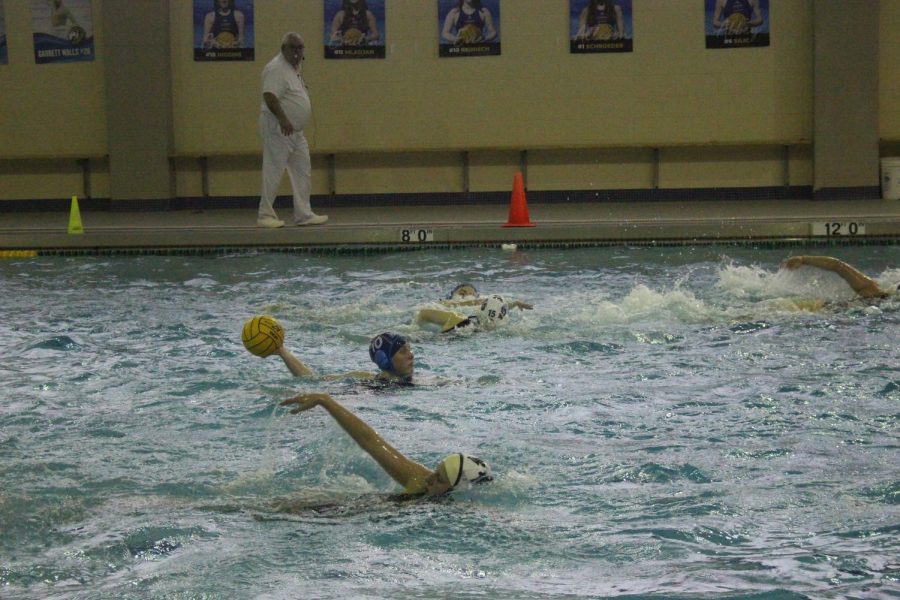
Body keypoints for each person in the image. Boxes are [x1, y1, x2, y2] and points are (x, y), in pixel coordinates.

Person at [280, 392, 493, 497]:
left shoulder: (462, 510)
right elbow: (371, 442)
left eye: (439, 479)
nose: (429, 477)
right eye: (435, 471)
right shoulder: (419, 480)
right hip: (352, 512)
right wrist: (325, 401)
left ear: (456, 490)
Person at [257, 32, 328, 229]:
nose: (297, 53)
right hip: (279, 128)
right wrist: (283, 119)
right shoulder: (276, 68)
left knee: (302, 171)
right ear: (284, 49)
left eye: (300, 48)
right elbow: (269, 96)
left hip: (295, 132)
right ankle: (264, 215)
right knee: (274, 170)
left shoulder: (292, 69)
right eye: (293, 48)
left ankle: (304, 214)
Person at [273, 331, 416, 385]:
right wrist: (282, 352)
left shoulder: (415, 381)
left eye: (409, 350)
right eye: (403, 351)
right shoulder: (364, 380)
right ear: (384, 360)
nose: (411, 355)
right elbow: (310, 379)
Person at [782, 256, 898, 301]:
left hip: (822, 310)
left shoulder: (874, 292)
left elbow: (838, 265)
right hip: (828, 312)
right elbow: (838, 266)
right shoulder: (876, 294)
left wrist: (803, 259)